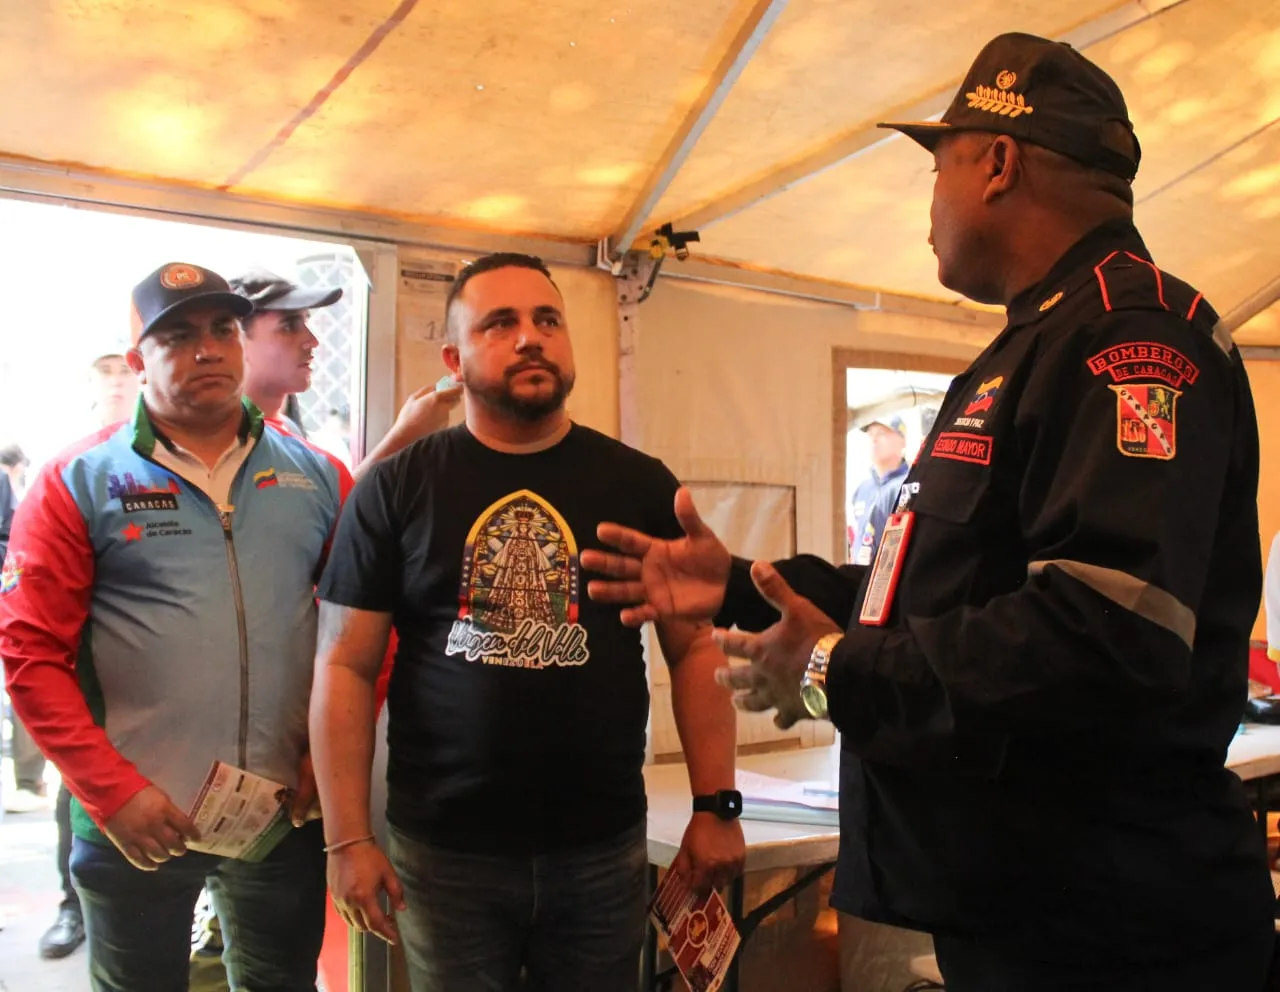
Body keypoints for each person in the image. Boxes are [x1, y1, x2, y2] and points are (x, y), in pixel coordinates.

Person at [584, 33, 1275, 992]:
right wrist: (742, 586)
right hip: (1024, 913)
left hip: (1114, 935)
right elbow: (938, 594)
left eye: (936, 167)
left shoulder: (1132, 338)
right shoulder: (1033, 345)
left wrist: (830, 667)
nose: (930, 207)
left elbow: (1104, 635)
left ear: (998, 162)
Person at [309, 251, 746, 991]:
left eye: (548, 320)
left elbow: (695, 648)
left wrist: (716, 805)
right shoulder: (396, 488)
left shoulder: (639, 485)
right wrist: (346, 838)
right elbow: (344, 665)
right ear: (454, 360)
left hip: (601, 847)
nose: (530, 338)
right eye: (499, 324)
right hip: (445, 854)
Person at [0, 261, 353, 991]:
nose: (208, 349)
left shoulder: (318, 474)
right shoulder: (79, 479)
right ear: (138, 362)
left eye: (223, 329)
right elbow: (30, 654)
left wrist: (329, 756)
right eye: (178, 336)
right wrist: (111, 791)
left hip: (282, 814)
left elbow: (360, 632)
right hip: (135, 819)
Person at [32, 344, 140, 962]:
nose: (116, 385)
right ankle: (70, 906)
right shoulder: (73, 468)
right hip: (90, 696)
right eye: (106, 376)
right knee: (77, 799)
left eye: (123, 374)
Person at [231, 266, 461, 480]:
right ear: (237, 340)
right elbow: (340, 508)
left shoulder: (289, 433)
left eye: (305, 322)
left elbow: (325, 504)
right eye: (289, 326)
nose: (312, 340)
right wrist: (405, 435)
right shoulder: (228, 442)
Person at [847, 415, 909, 565]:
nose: (874, 440)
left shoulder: (908, 486)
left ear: (902, 441)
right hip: (859, 574)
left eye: (881, 433)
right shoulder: (862, 489)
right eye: (870, 434)